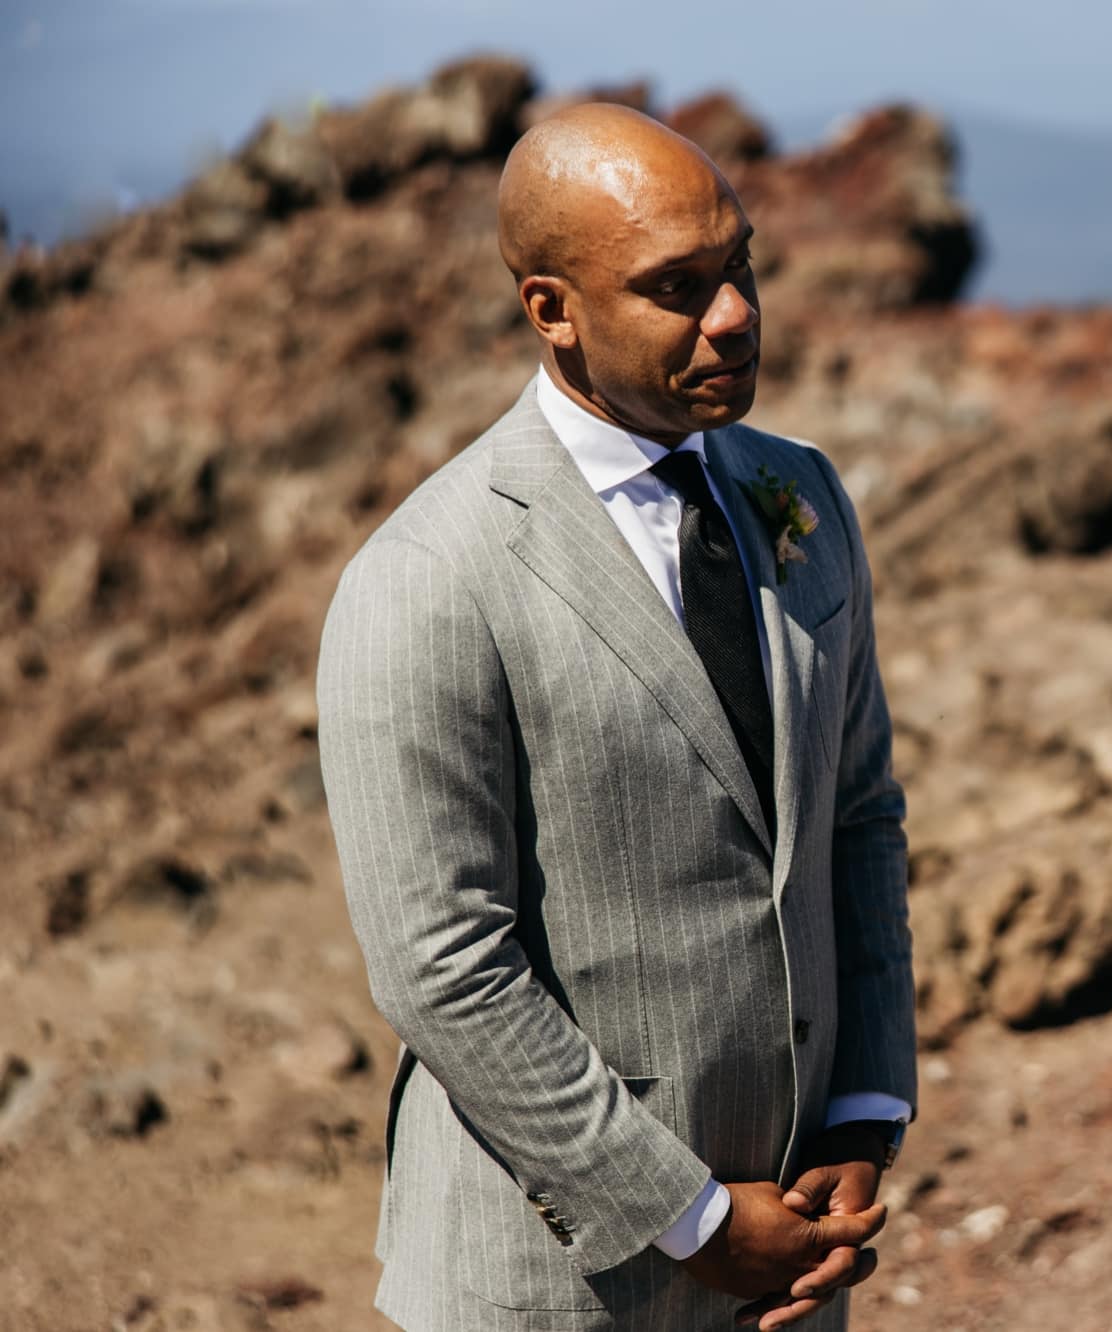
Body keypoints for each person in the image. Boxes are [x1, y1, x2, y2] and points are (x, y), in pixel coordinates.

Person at [317, 104, 916, 1332]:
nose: (737, 313)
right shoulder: (430, 575)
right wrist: (686, 1215)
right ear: (553, 310)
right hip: (550, 1285)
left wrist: (862, 1112)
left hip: (790, 1261)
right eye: (677, 288)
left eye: (739, 264)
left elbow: (856, 814)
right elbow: (442, 966)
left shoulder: (795, 494)